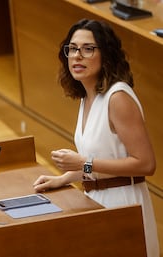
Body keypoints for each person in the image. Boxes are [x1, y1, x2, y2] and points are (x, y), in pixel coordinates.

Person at [33, 19, 159, 257]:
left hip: (124, 204)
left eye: (88, 49)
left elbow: (145, 163)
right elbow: (106, 159)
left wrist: (84, 164)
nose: (77, 56)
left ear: (106, 54)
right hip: (96, 199)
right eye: (72, 49)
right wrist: (65, 177)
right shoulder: (88, 96)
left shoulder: (118, 97)